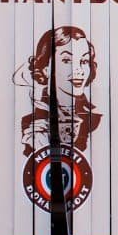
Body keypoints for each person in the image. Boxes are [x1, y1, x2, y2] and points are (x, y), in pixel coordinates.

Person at [14, 26, 102, 154]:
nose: (78, 70)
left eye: (84, 61)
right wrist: (38, 149)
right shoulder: (27, 123)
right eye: (67, 60)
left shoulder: (97, 120)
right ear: (45, 68)